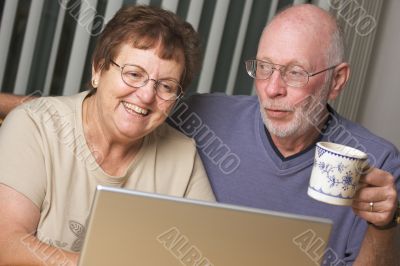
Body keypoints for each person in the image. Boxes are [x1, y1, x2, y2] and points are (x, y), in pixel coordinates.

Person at [170, 4, 399, 265]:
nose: (272, 88)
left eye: (295, 72)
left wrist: (383, 226)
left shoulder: (378, 162)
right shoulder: (200, 117)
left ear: (336, 81)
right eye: (264, 67)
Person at [0, 5, 214, 265]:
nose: (146, 96)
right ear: (98, 70)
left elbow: (206, 258)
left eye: (166, 86)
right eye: (134, 74)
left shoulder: (183, 157)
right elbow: (7, 246)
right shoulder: (34, 126)